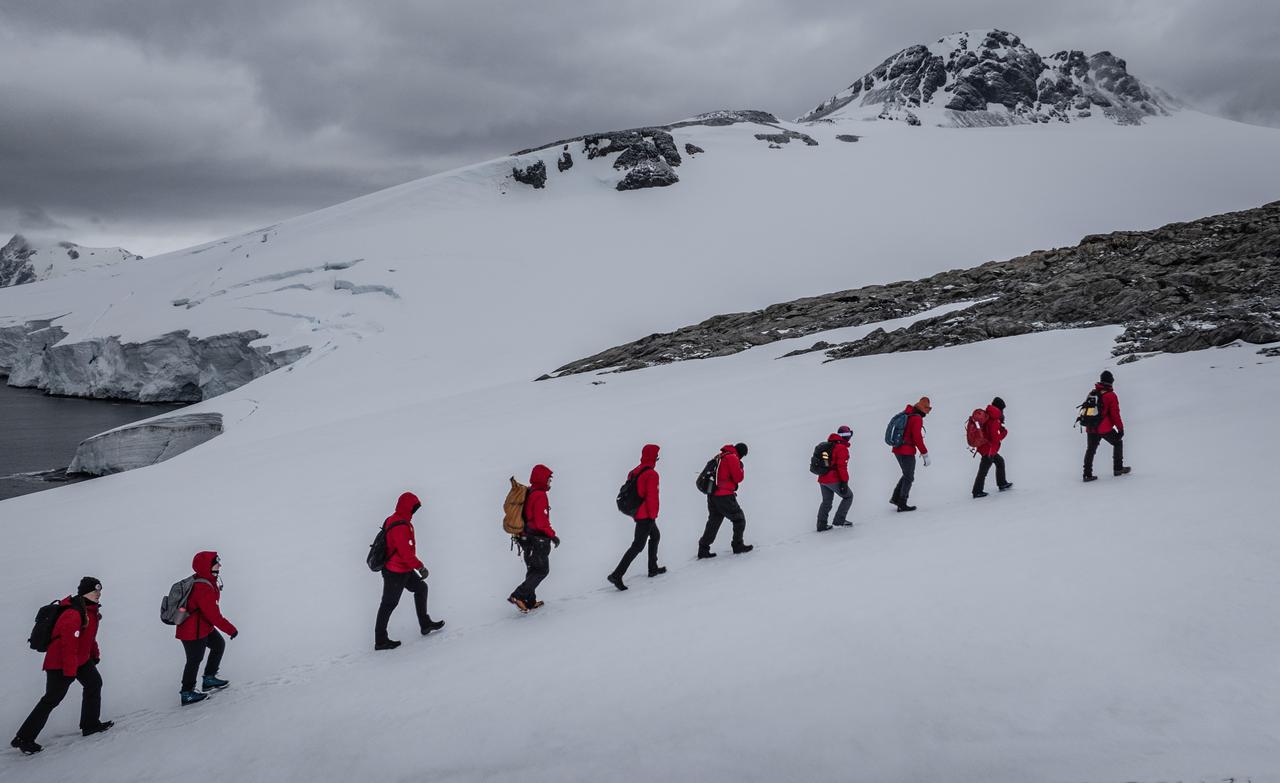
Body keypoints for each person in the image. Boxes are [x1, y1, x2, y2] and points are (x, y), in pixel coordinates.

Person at [11, 578, 112, 754]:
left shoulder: (90, 611)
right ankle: (24, 738)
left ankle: (90, 724)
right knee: (52, 699)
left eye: (99, 591)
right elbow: (68, 644)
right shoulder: (73, 613)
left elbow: (89, 637)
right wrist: (69, 670)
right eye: (94, 591)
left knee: (94, 683)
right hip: (60, 663)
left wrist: (94, 655)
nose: (98, 594)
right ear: (84, 593)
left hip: (79, 659)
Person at [375, 492, 445, 650]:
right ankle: (380, 640)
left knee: (421, 588)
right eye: (414, 508)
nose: (415, 511)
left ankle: (425, 624)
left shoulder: (393, 519)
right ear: (408, 507)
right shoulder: (400, 525)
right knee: (389, 603)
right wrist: (420, 567)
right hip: (395, 571)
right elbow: (406, 553)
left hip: (401, 568)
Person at [177, 551, 238, 706]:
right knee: (194, 659)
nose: (220, 565)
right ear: (207, 567)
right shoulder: (203, 588)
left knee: (218, 645)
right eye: (216, 562)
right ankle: (187, 692)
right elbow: (214, 616)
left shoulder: (206, 580)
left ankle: (209, 679)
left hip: (203, 627)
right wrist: (230, 629)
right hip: (192, 631)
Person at [608, 444, 666, 590]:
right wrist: (653, 515)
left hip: (636, 511)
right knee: (637, 545)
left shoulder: (635, 471)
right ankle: (616, 574)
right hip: (645, 514)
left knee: (655, 536)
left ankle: (653, 567)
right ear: (654, 457)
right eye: (657, 456)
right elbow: (652, 497)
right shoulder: (652, 474)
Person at [509, 464, 559, 612]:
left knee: (533, 569)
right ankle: (518, 595)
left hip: (525, 537)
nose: (550, 482)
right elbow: (541, 521)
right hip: (538, 540)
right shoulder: (540, 495)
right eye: (549, 479)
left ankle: (529, 601)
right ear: (542, 479)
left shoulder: (530, 492)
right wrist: (553, 536)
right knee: (542, 570)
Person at [697, 443, 753, 558]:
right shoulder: (732, 457)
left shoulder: (721, 456)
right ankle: (738, 545)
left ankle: (703, 549)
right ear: (742, 453)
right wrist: (741, 467)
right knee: (739, 519)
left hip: (712, 495)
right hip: (724, 496)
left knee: (714, 522)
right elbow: (738, 478)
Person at [1083, 370, 1130, 482]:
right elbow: (1115, 414)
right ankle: (1118, 468)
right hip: (1104, 428)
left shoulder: (1092, 392)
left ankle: (1087, 474)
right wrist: (1120, 428)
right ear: (1111, 381)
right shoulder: (1111, 395)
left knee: (1090, 450)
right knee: (1118, 442)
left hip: (1091, 427)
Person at [890, 398, 931, 512]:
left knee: (906, 474)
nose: (928, 412)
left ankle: (896, 498)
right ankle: (902, 503)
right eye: (927, 409)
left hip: (898, 448)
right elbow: (917, 438)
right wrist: (925, 454)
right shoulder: (917, 419)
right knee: (909, 477)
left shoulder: (908, 414)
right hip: (906, 451)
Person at [972, 397, 1013, 498]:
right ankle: (977, 491)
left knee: (1000, 462)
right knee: (983, 470)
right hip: (989, 449)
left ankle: (1002, 483)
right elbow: (995, 438)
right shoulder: (994, 420)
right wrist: (1004, 433)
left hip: (986, 447)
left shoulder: (989, 415)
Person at [816, 426, 853, 531]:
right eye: (846, 435)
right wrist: (844, 482)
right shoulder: (841, 448)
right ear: (840, 436)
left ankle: (821, 524)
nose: (848, 437)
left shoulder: (829, 445)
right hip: (832, 478)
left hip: (822, 478)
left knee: (826, 501)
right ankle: (839, 521)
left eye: (849, 435)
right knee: (848, 497)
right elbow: (842, 467)